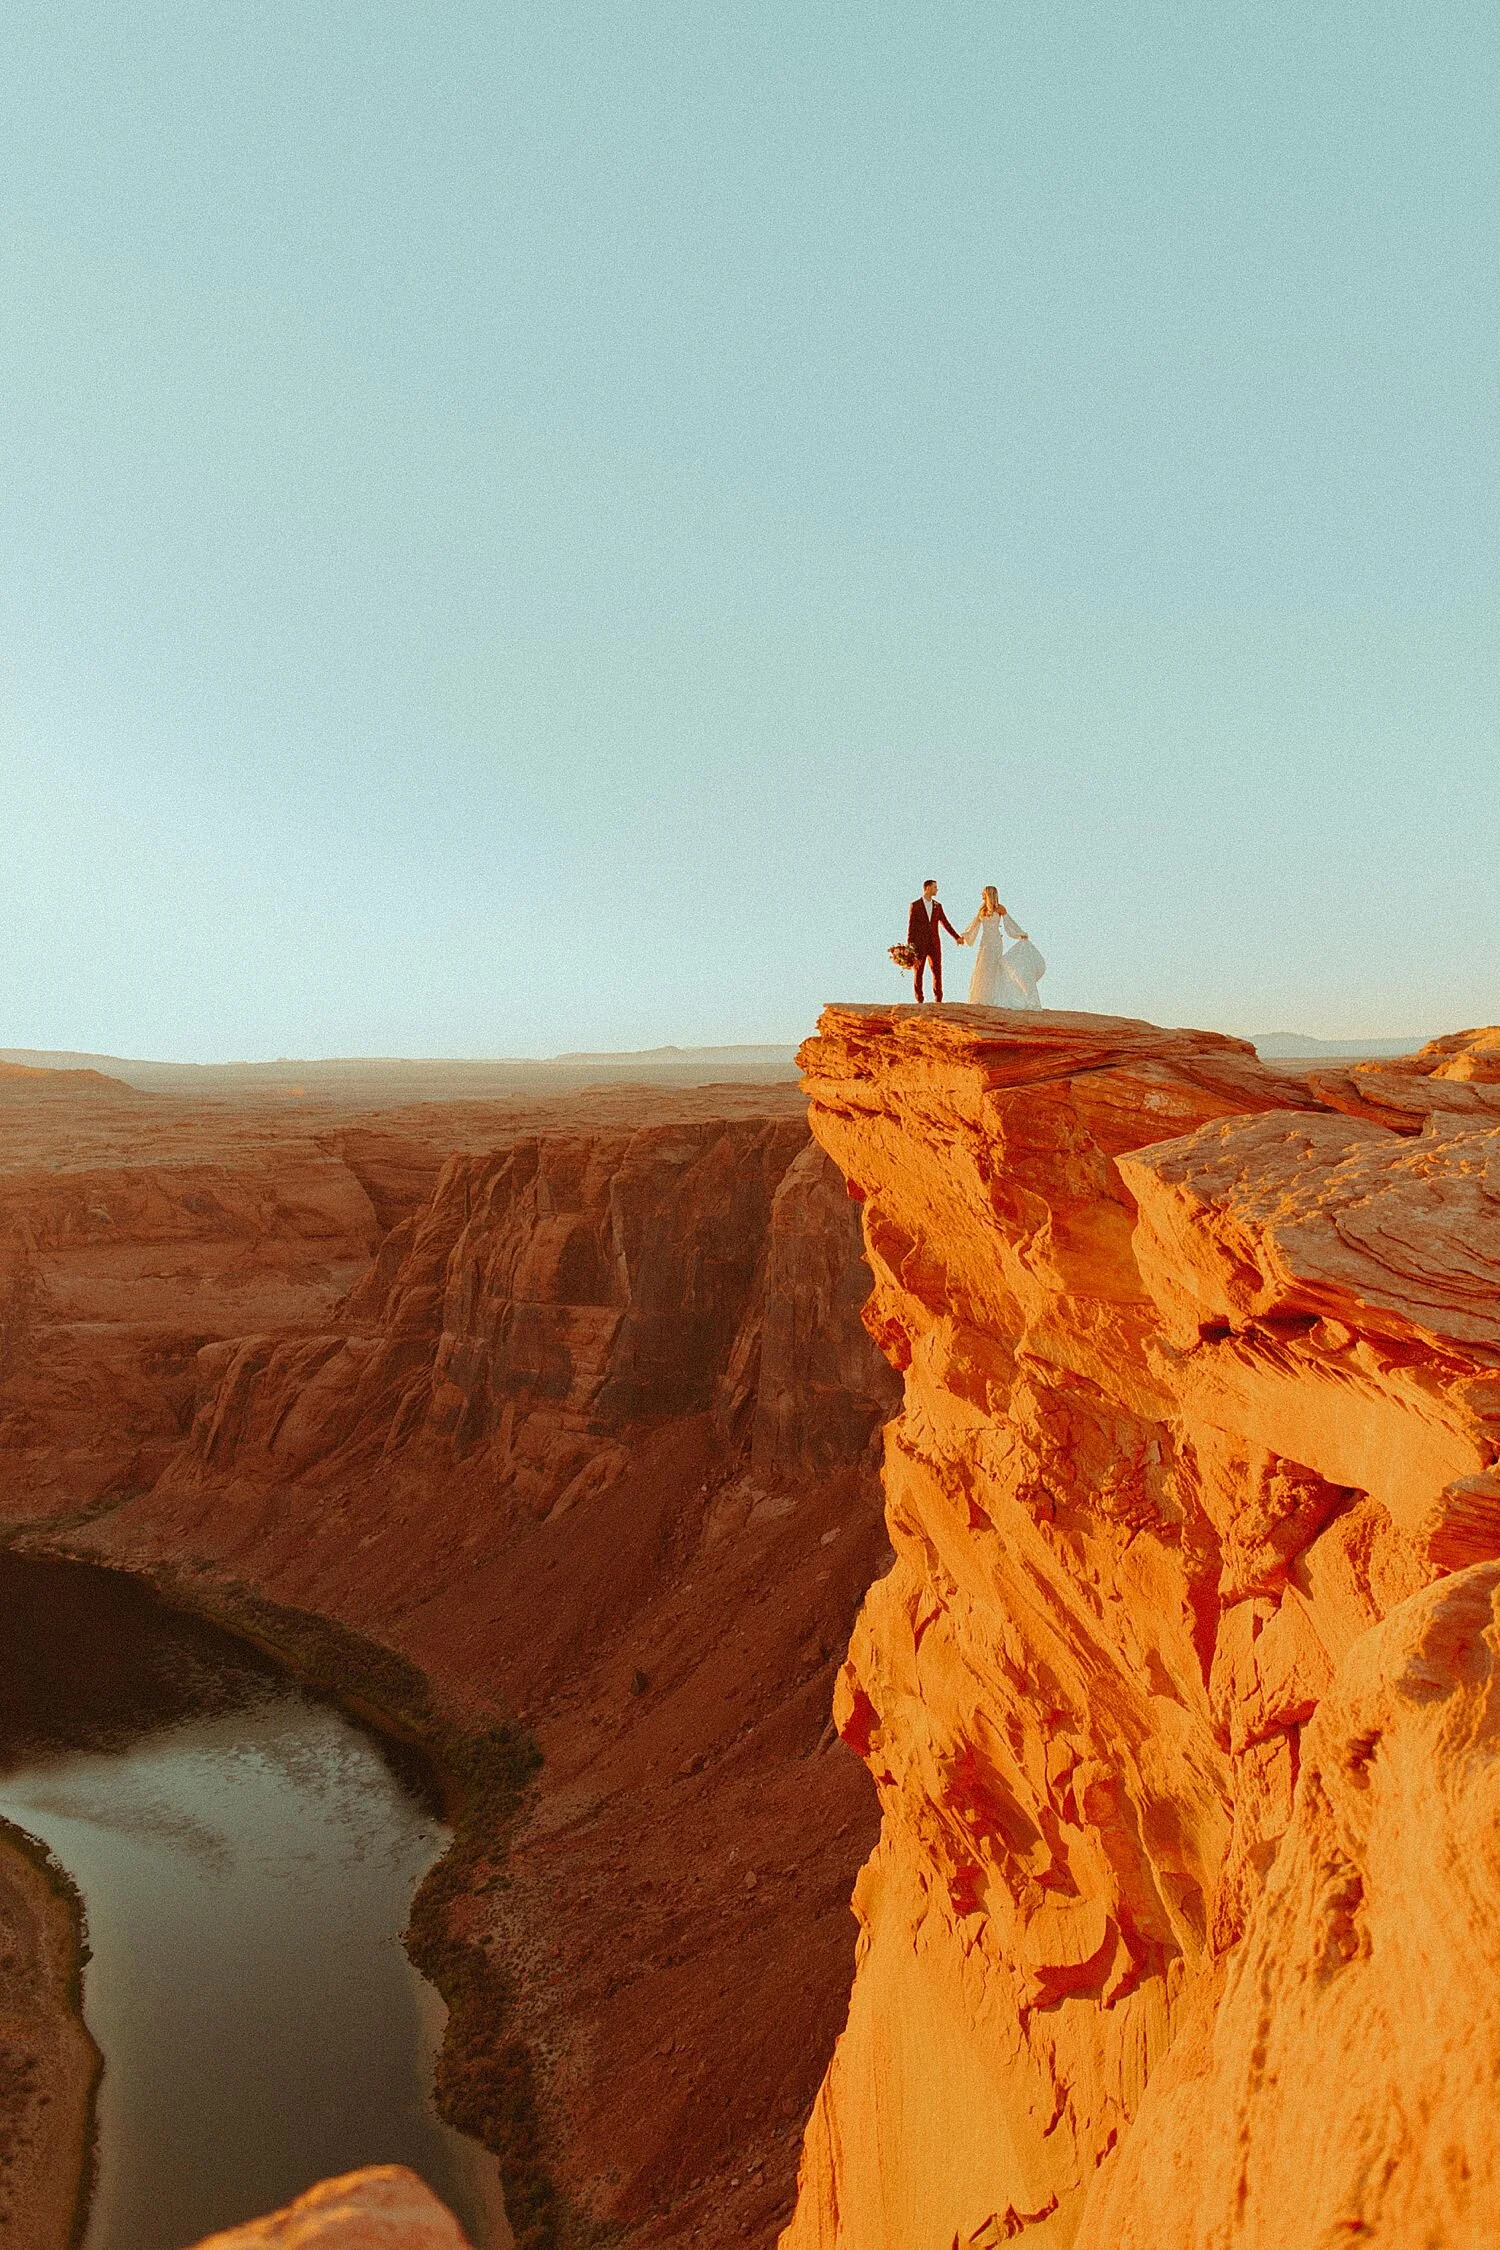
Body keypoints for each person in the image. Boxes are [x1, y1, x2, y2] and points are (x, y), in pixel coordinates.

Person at [960, 887, 1046, 1008]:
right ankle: (982, 997)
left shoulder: (1000, 908)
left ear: (989, 895)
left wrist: (1019, 933)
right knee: (983, 966)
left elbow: (1009, 923)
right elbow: (974, 925)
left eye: (983, 894)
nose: (982, 896)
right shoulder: (982, 910)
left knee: (994, 967)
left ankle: (994, 996)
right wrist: (965, 936)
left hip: (996, 941)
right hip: (985, 942)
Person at [907, 880, 964, 1003]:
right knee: (918, 971)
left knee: (937, 971)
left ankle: (938, 999)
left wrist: (956, 937)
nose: (937, 889)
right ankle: (919, 999)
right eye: (934, 887)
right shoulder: (915, 905)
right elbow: (911, 927)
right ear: (927, 888)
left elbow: (945, 923)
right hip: (919, 945)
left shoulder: (938, 906)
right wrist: (909, 947)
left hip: (934, 943)